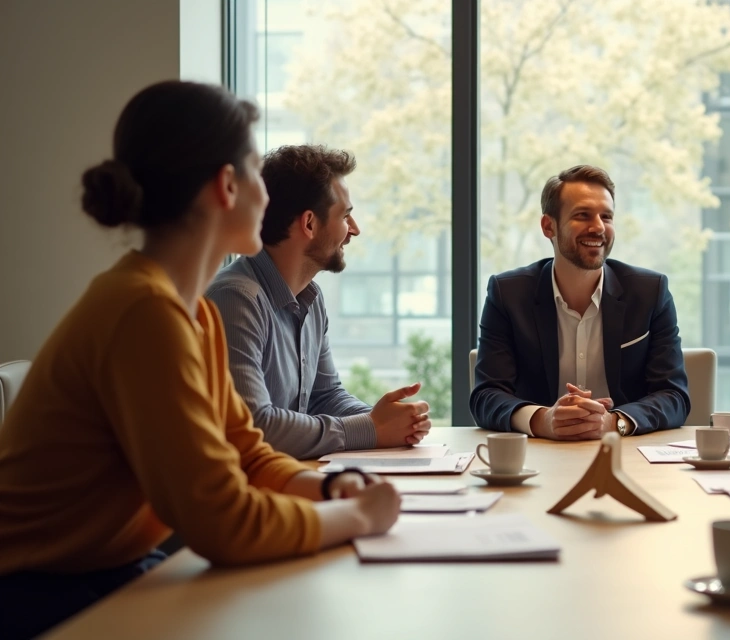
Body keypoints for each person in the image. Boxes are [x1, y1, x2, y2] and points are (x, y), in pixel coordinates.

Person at [0, 81, 400, 640]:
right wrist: (357, 518)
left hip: (106, 573)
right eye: (258, 172)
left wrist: (333, 490)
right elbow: (224, 522)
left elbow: (250, 455)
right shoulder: (145, 311)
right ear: (227, 186)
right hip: (42, 597)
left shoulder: (194, 314)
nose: (269, 196)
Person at [207, 144, 430, 459]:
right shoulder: (236, 300)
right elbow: (254, 426)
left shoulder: (311, 298)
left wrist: (388, 420)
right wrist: (371, 429)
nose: (355, 230)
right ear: (309, 224)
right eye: (346, 216)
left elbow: (324, 397)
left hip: (291, 478)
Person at [471, 165, 690, 440]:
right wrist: (543, 420)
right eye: (583, 215)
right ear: (548, 226)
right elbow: (486, 395)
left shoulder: (650, 292)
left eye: (606, 217)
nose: (598, 227)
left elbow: (674, 396)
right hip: (540, 457)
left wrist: (614, 423)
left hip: (624, 451)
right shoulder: (508, 294)